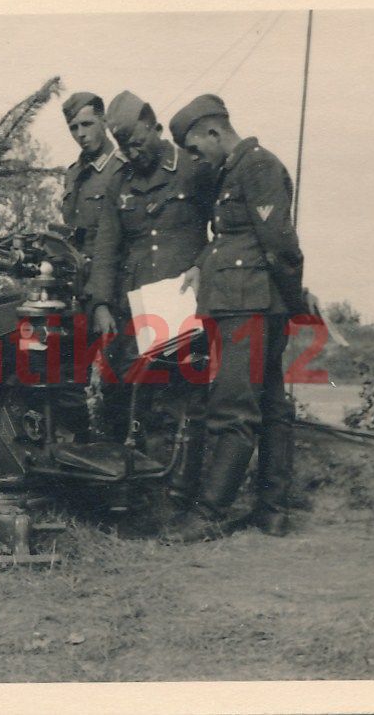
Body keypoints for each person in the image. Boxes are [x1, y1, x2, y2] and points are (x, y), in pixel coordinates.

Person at [167, 93, 309, 540]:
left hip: (250, 308)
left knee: (232, 411)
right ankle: (272, 510)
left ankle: (208, 515)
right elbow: (230, 236)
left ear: (214, 131)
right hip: (242, 304)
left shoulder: (260, 167)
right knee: (270, 406)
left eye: (195, 148)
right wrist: (199, 265)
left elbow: (282, 249)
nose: (195, 158)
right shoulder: (232, 172)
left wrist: (292, 308)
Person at [85, 90, 214, 510]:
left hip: (179, 302)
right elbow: (106, 246)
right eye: (123, 145)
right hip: (131, 306)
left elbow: (227, 227)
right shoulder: (120, 181)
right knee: (124, 393)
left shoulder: (193, 169)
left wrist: (203, 265)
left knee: (176, 402)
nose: (131, 151)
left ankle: (178, 494)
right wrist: (102, 303)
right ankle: (128, 490)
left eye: (136, 141)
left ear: (152, 125)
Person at [60, 92, 128, 259]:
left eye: (86, 124)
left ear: (104, 122)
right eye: (73, 128)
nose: (80, 134)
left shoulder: (122, 167)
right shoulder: (73, 174)